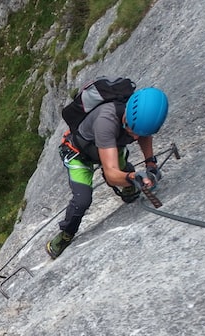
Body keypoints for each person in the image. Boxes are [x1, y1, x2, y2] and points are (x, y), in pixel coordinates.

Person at [46, 86, 169, 259]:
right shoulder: (106, 120)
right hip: (78, 154)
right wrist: (133, 178)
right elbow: (111, 175)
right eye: (131, 130)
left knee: (124, 168)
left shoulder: (138, 118)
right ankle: (66, 234)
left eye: (138, 133)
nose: (134, 137)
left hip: (110, 145)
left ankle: (128, 190)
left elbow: (143, 134)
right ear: (126, 116)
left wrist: (151, 164)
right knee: (82, 200)